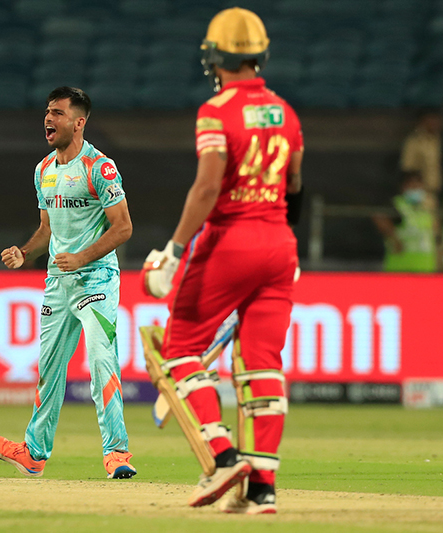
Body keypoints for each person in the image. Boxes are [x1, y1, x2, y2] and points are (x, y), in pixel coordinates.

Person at [142, 8, 303, 514]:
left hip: (231, 241)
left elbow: (208, 187)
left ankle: (222, 455)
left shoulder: (216, 111)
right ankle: (262, 489)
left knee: (180, 347)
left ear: (214, 58)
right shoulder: (286, 112)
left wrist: (173, 248)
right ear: (261, 55)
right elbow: (294, 184)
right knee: (262, 364)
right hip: (280, 244)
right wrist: (287, 242)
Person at [0, 86, 136, 480]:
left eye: (57, 113)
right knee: (49, 369)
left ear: (79, 122)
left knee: (101, 360)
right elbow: (46, 230)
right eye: (47, 112)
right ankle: (33, 453)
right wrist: (24, 253)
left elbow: (123, 227)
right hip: (58, 282)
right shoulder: (43, 171)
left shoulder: (99, 168)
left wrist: (83, 257)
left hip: (96, 280)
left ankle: (117, 453)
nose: (48, 119)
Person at [373, 170, 437, 273]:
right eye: (412, 186)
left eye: (418, 186)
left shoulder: (427, 206)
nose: (415, 190)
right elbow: (378, 216)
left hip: (426, 267)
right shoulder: (397, 204)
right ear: (403, 187)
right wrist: (394, 238)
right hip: (401, 267)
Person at [400, 107, 443, 206]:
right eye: (432, 120)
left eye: (437, 120)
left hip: (438, 191)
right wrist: (415, 187)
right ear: (423, 121)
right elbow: (408, 168)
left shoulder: (440, 140)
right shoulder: (414, 142)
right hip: (420, 193)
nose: (435, 123)